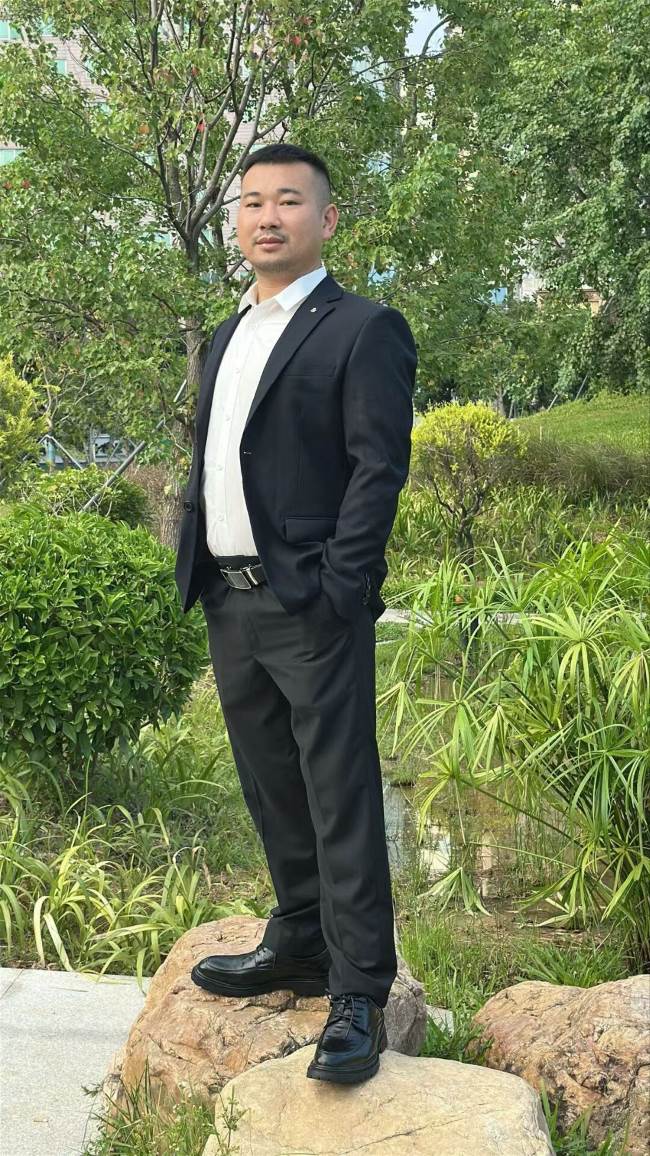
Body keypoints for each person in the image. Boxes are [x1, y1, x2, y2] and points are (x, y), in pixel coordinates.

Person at [174, 142, 417, 1085]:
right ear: (236, 220)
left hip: (310, 602)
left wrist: (339, 591)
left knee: (339, 790)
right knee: (271, 781)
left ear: (326, 218)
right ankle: (302, 938)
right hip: (229, 596)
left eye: (287, 200)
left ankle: (358, 991)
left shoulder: (363, 328)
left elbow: (376, 470)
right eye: (251, 202)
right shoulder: (230, 332)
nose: (266, 217)